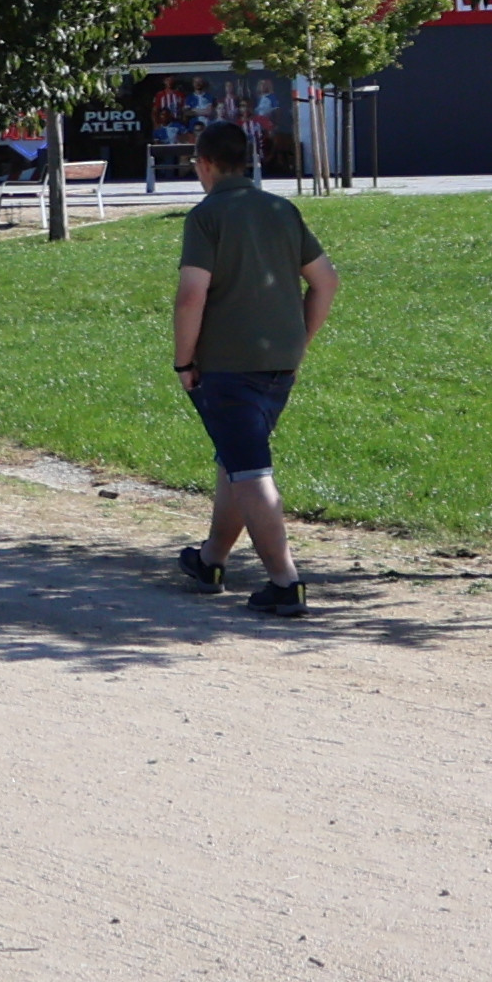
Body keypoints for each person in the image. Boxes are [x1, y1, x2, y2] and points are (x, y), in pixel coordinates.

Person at [173, 119, 338, 616]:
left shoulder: (207, 216)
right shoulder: (282, 209)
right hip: (281, 361)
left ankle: (286, 583)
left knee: (250, 469)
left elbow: (190, 295)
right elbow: (326, 282)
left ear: (204, 164)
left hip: (226, 366)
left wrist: (184, 361)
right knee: (235, 458)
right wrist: (300, 340)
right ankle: (211, 561)